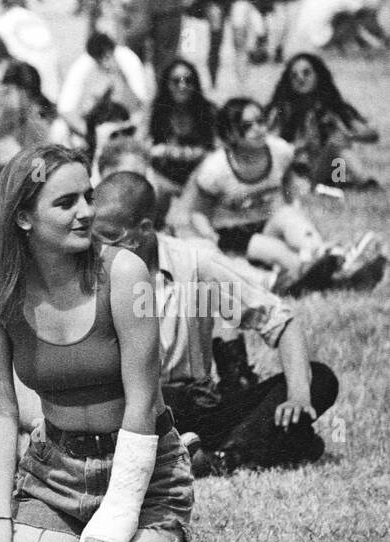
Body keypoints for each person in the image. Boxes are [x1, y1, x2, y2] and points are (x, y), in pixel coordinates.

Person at [0, 145, 197, 542]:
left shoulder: (124, 273)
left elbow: (144, 401)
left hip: (142, 472)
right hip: (56, 474)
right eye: (66, 201)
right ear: (24, 217)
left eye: (88, 196)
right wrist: (0, 519)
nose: (87, 211)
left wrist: (120, 507)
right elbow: (0, 409)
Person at [92, 171, 342, 474]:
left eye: (108, 238)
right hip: (129, 407)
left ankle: (222, 455)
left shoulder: (194, 263)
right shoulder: (89, 270)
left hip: (195, 406)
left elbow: (280, 319)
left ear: (144, 229)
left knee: (320, 377)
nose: (99, 249)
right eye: (93, 238)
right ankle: (269, 446)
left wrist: (299, 394)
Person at [183, 97, 376, 294]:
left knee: (289, 218)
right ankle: (334, 274)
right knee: (282, 254)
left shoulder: (278, 150)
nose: (258, 129)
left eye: (261, 120)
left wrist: (294, 207)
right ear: (230, 132)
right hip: (233, 233)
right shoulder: (216, 169)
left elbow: (287, 181)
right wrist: (210, 237)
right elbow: (197, 212)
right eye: (247, 125)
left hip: (267, 221)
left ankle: (328, 256)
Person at [265, 52, 380, 191]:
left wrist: (349, 135)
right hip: (300, 175)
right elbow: (270, 148)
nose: (300, 79)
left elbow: (372, 135)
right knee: (334, 146)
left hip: (332, 172)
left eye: (306, 73)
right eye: (294, 76)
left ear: (318, 75)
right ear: (289, 82)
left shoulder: (333, 106)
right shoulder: (282, 110)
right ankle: (361, 184)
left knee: (337, 144)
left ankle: (357, 183)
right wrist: (301, 145)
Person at [148, 60, 216, 199]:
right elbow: (142, 146)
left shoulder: (209, 111)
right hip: (164, 178)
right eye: (176, 81)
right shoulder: (155, 112)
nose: (182, 86)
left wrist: (178, 152)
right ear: (166, 84)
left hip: (201, 176)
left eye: (188, 80)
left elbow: (221, 148)